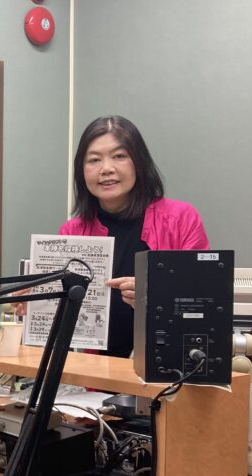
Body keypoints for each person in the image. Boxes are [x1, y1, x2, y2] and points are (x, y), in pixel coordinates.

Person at [60, 115, 209, 357]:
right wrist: (34, 303)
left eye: (119, 156)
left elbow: (202, 299)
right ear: (81, 171)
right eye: (94, 160)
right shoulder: (72, 232)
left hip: (165, 365)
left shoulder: (181, 219)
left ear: (138, 162)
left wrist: (155, 296)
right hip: (94, 370)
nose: (107, 169)